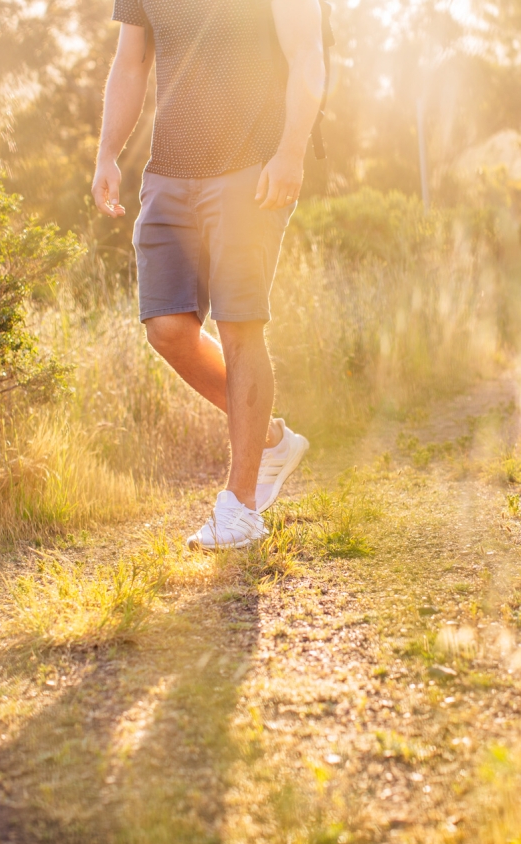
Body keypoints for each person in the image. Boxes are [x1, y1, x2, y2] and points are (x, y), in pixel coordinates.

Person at [92, 0, 325, 550]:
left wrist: (290, 153)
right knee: (166, 327)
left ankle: (239, 510)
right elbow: (130, 63)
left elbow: (307, 52)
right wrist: (107, 153)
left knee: (239, 325)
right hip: (169, 170)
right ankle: (270, 439)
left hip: (250, 168)